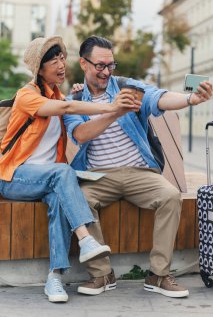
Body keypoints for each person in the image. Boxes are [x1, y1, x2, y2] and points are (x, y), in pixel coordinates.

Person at [63, 35, 213, 299]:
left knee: (169, 196)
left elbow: (159, 98)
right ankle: (101, 274)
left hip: (138, 171)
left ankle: (158, 274)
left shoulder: (127, 88)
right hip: (99, 176)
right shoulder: (74, 99)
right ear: (84, 64)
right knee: (78, 199)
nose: (106, 72)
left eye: (111, 65)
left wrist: (190, 100)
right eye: (100, 66)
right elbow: (81, 134)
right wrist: (115, 111)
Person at [0, 36, 138, 303]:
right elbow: (65, 107)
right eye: (54, 60)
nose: (61, 64)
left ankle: (54, 278)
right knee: (62, 173)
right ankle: (86, 239)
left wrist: (77, 93)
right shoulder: (28, 95)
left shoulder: (58, 94)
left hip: (46, 180)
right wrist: (110, 106)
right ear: (40, 69)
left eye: (63, 58)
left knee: (59, 199)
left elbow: (68, 103)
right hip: (13, 176)